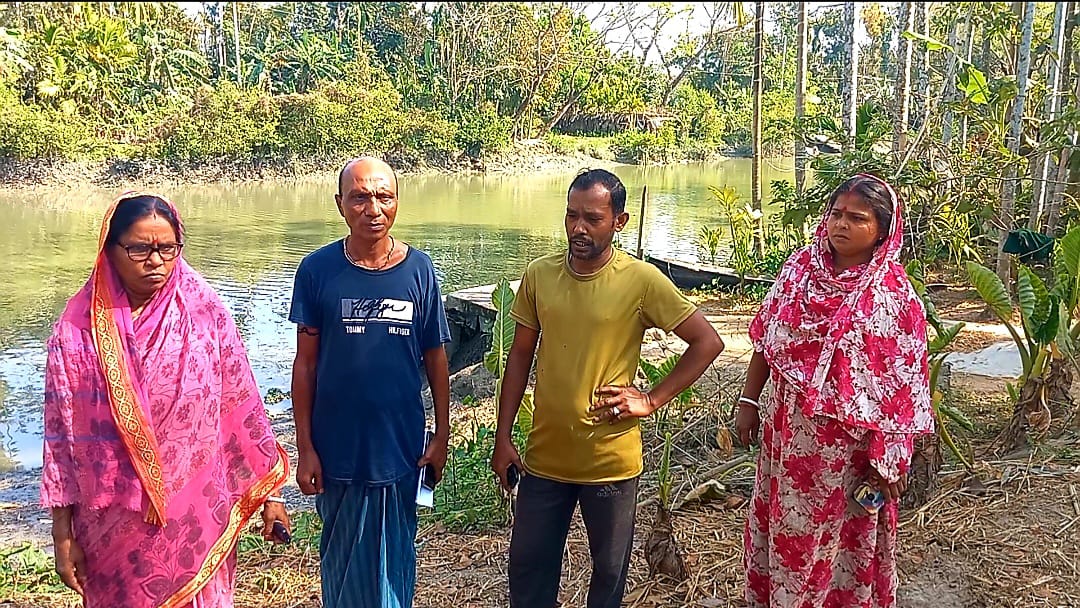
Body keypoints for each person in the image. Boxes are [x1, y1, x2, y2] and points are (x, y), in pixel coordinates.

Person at [41, 192, 291, 608]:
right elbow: (62, 443)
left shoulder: (204, 312)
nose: (155, 261)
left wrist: (271, 494)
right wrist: (62, 536)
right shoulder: (76, 331)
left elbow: (240, 404)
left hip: (197, 514)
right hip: (112, 528)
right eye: (139, 248)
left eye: (167, 248)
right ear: (109, 248)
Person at [490, 168, 725, 608]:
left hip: (610, 463)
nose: (578, 228)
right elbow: (519, 357)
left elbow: (707, 342)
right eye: (571, 215)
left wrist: (651, 398)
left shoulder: (640, 280)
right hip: (545, 458)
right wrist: (504, 438)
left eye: (593, 218)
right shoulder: (540, 275)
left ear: (620, 221)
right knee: (527, 571)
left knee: (609, 577)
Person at [737, 174, 933, 607]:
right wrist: (750, 402)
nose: (840, 224)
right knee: (786, 527)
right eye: (836, 214)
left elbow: (902, 389)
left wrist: (888, 461)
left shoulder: (893, 297)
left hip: (850, 452)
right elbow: (767, 339)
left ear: (882, 229)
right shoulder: (799, 272)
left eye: (856, 218)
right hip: (788, 436)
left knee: (841, 543)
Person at [289, 157, 451, 608]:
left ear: (397, 202)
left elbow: (436, 356)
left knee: (395, 558)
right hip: (337, 446)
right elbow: (305, 365)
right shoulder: (318, 270)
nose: (372, 208)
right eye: (359, 197)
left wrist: (441, 435)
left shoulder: (419, 270)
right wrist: (305, 447)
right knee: (342, 562)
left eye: (383, 196)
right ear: (341, 204)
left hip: (401, 447)